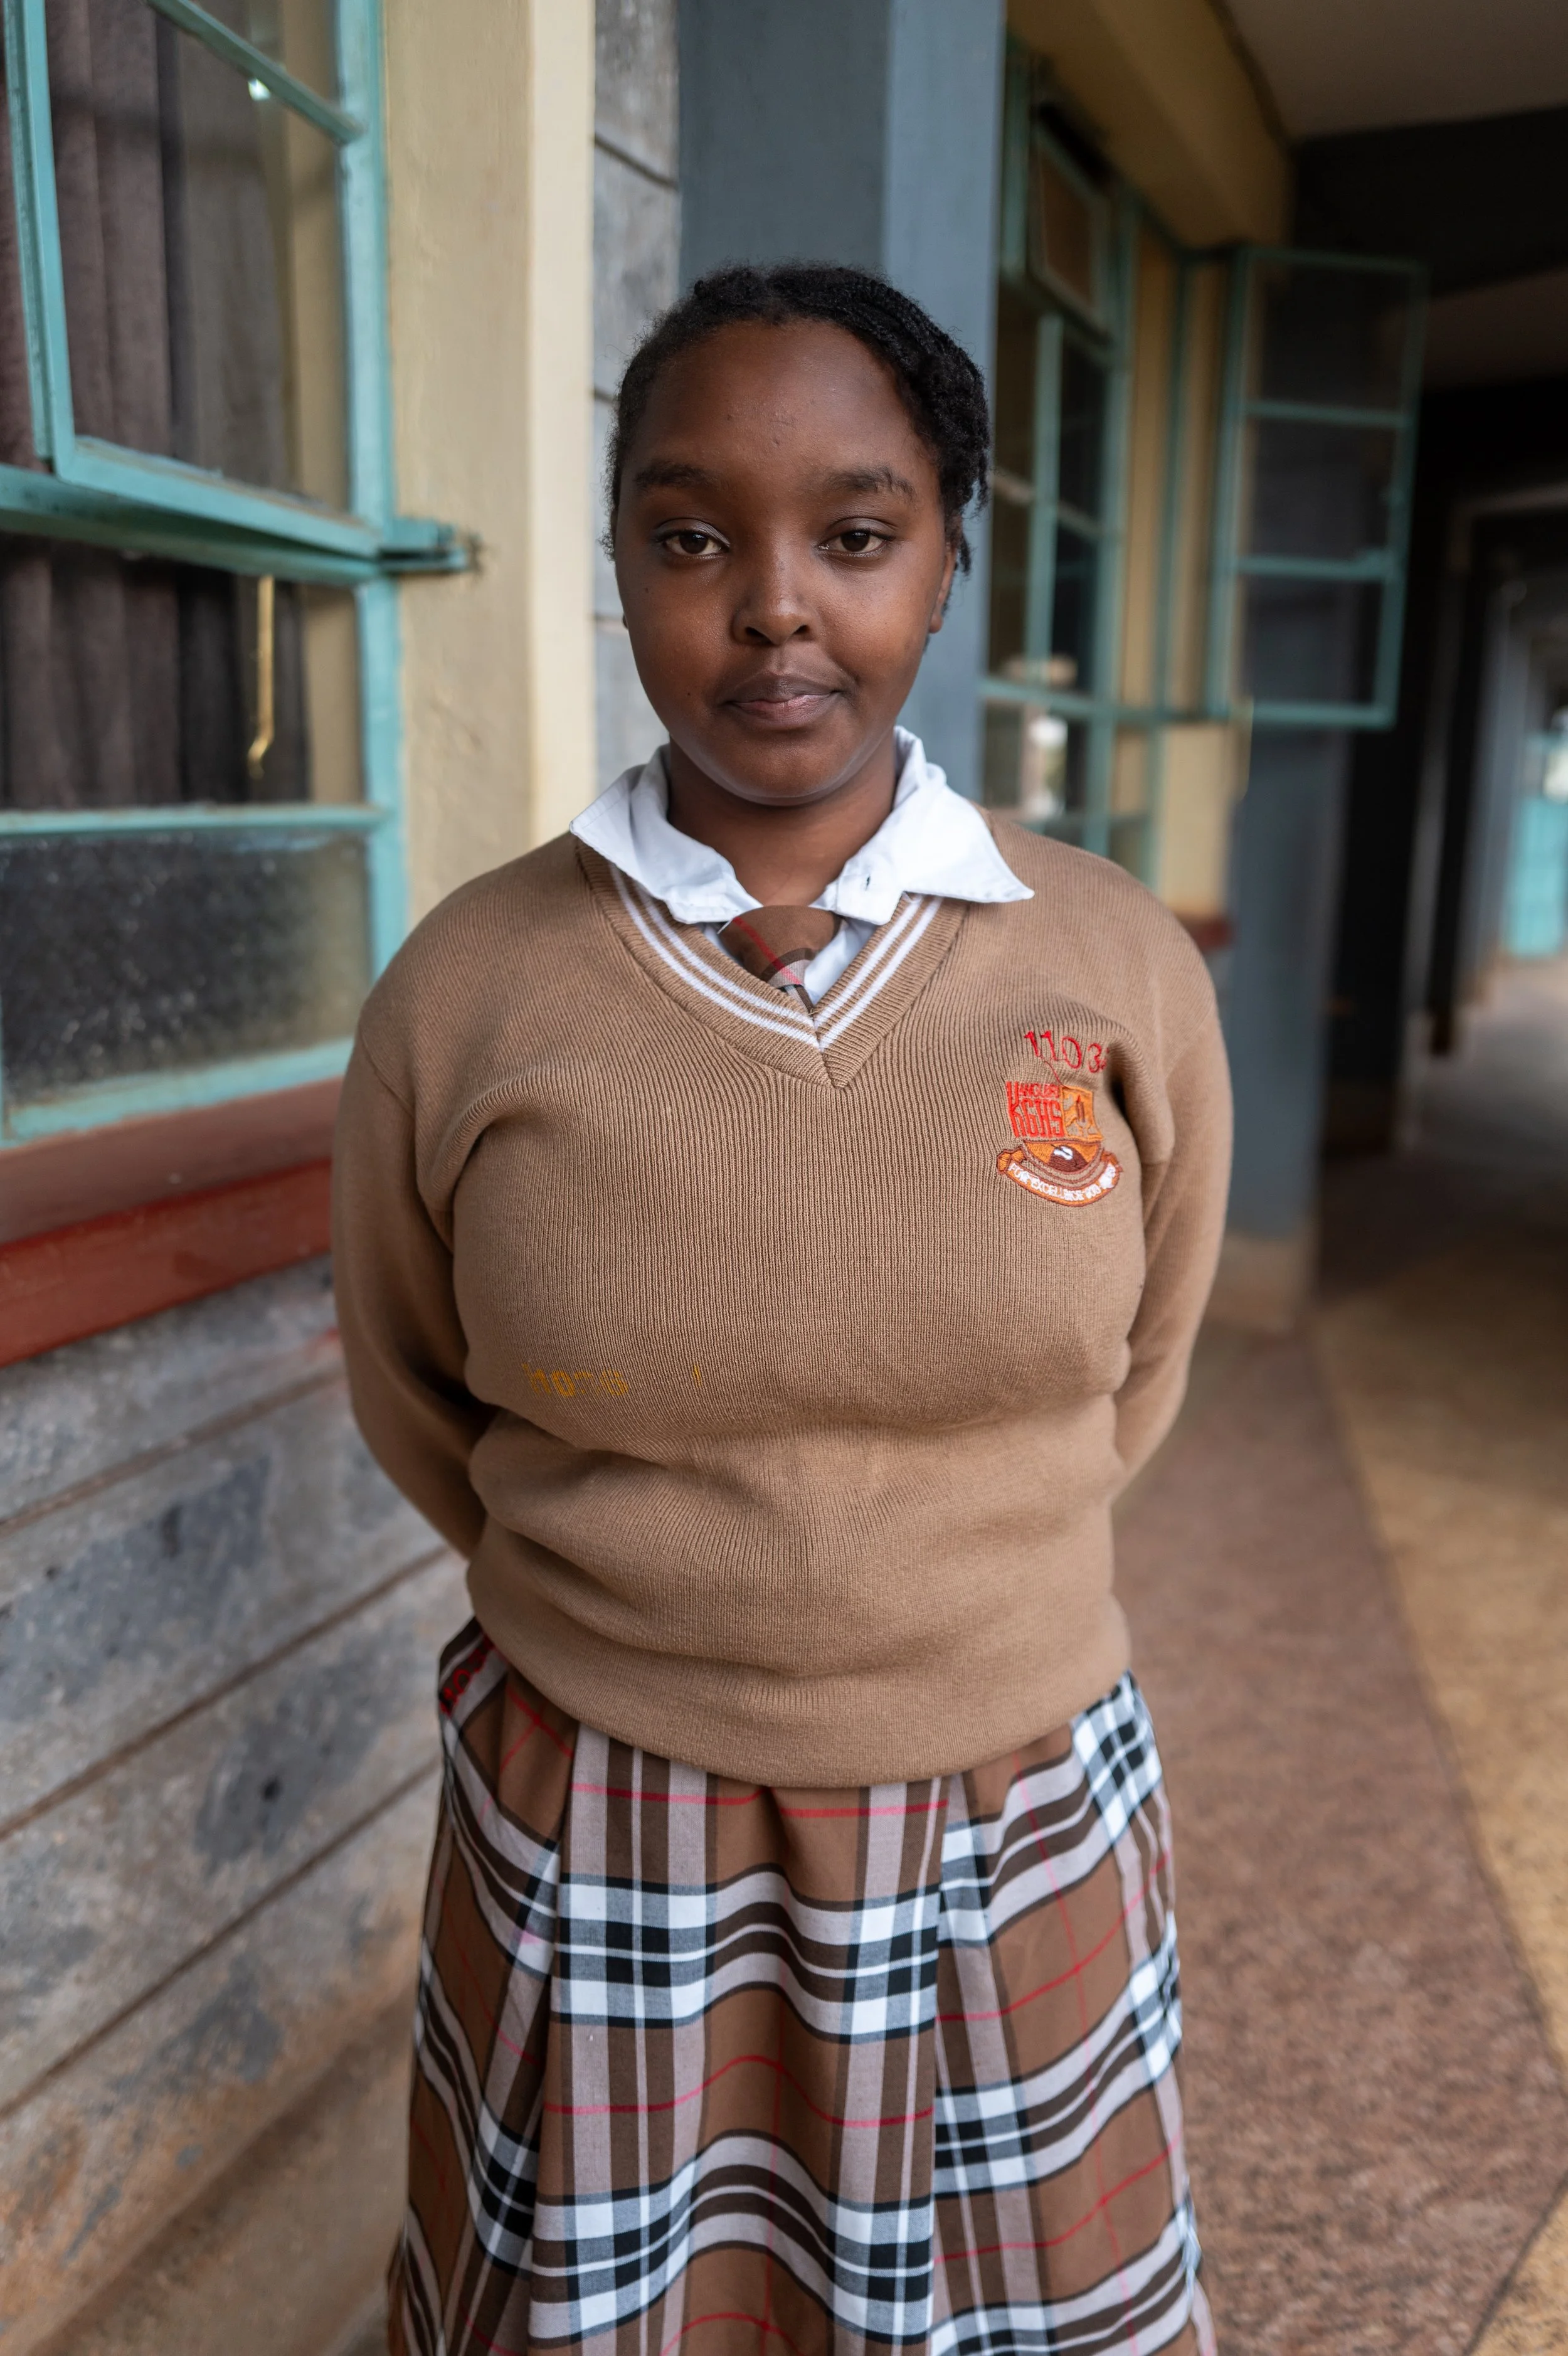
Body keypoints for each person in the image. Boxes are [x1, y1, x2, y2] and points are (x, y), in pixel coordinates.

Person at [333, 262, 1229, 2356]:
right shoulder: (472, 986)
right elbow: (414, 1387)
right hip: (607, 1796)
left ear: (944, 558)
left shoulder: (1104, 965)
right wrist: (669, 1608)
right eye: (686, 536)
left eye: (852, 532)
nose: (770, 610)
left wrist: (934, 1597)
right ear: (622, 568)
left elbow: (1147, 1350)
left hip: (1009, 1795)